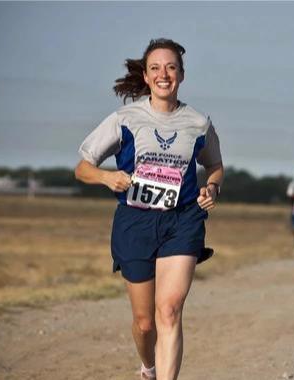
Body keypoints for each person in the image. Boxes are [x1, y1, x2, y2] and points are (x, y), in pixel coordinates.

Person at [74, 38, 223, 380]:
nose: (164, 74)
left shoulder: (198, 123)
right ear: (145, 75)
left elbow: (215, 164)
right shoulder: (125, 119)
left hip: (182, 220)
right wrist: (106, 178)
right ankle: (148, 367)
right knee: (145, 324)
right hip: (135, 222)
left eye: (171, 67)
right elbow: (82, 168)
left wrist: (212, 187)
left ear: (182, 75)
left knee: (168, 311)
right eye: (155, 68)